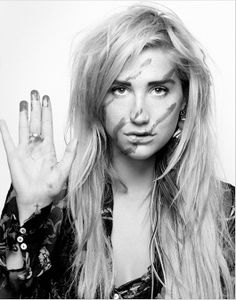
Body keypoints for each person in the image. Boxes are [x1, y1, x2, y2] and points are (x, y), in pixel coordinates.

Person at [0, 3, 234, 299]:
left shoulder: (225, 213)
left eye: (158, 89)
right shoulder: (57, 202)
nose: (139, 114)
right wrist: (29, 214)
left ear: (185, 100)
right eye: (120, 89)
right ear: (97, 99)